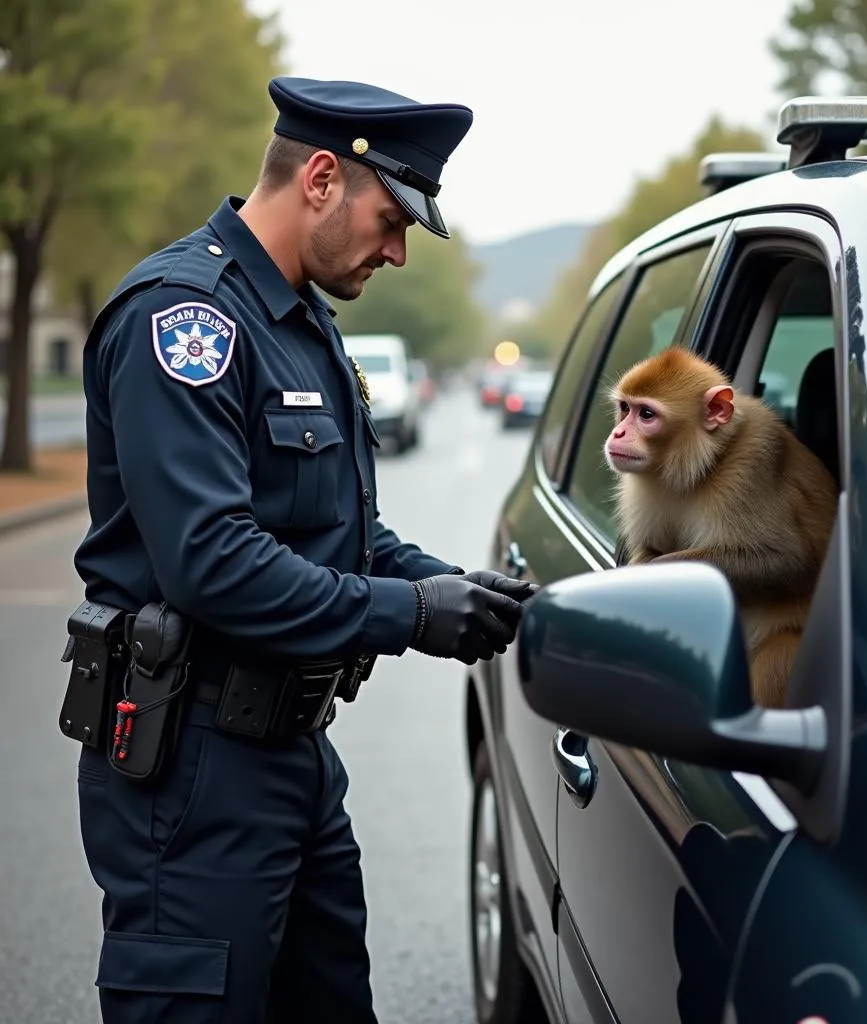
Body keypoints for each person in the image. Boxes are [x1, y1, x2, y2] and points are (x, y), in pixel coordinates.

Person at [65, 76, 536, 1024]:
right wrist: (409, 615)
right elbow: (212, 561)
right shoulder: (185, 320)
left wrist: (443, 584)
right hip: (194, 769)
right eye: (392, 218)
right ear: (321, 178)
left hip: (292, 757)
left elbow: (341, 538)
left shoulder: (301, 322)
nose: (399, 251)